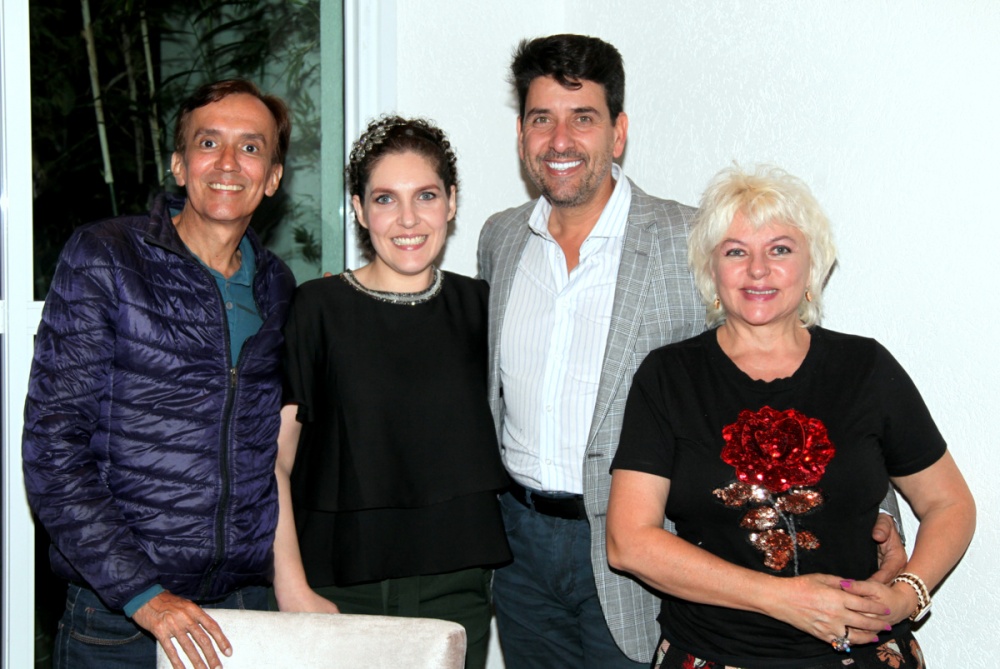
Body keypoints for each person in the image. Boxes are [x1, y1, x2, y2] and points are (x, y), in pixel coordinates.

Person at [477, 34, 908, 668]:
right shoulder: (501, 238)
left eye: (584, 118)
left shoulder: (690, 239)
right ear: (521, 135)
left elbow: (789, 363)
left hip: (639, 555)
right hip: (520, 547)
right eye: (542, 119)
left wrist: (874, 508)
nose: (561, 140)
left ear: (618, 133)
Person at [606, 164, 976, 668]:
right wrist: (786, 599)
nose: (758, 269)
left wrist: (909, 594)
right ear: (711, 269)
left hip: (861, 655)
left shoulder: (865, 368)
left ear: (813, 266)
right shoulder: (669, 377)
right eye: (736, 251)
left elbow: (950, 503)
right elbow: (628, 542)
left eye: (780, 249)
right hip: (715, 655)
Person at [22, 79, 295, 669]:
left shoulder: (278, 287)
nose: (227, 163)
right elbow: (53, 443)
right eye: (208, 143)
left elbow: (268, 450)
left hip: (243, 609)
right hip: (123, 619)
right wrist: (143, 595)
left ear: (272, 177)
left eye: (251, 148)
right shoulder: (106, 256)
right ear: (179, 164)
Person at [272, 116, 512, 669]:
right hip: (335, 590)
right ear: (359, 209)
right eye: (385, 198)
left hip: (456, 594)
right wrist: (292, 589)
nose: (408, 219)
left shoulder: (483, 307)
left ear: (451, 202)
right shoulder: (317, 309)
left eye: (425, 195)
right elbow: (275, 462)